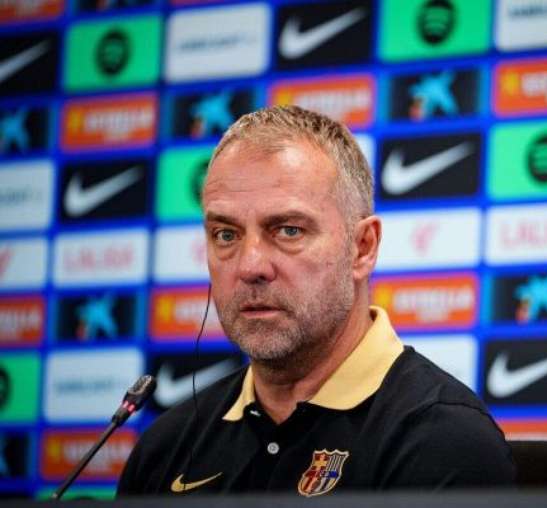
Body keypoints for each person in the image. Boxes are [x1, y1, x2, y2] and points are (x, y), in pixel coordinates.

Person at [117, 106, 516, 496]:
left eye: (288, 230)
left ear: (363, 248)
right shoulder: (165, 448)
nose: (250, 265)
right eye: (226, 234)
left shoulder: (444, 441)